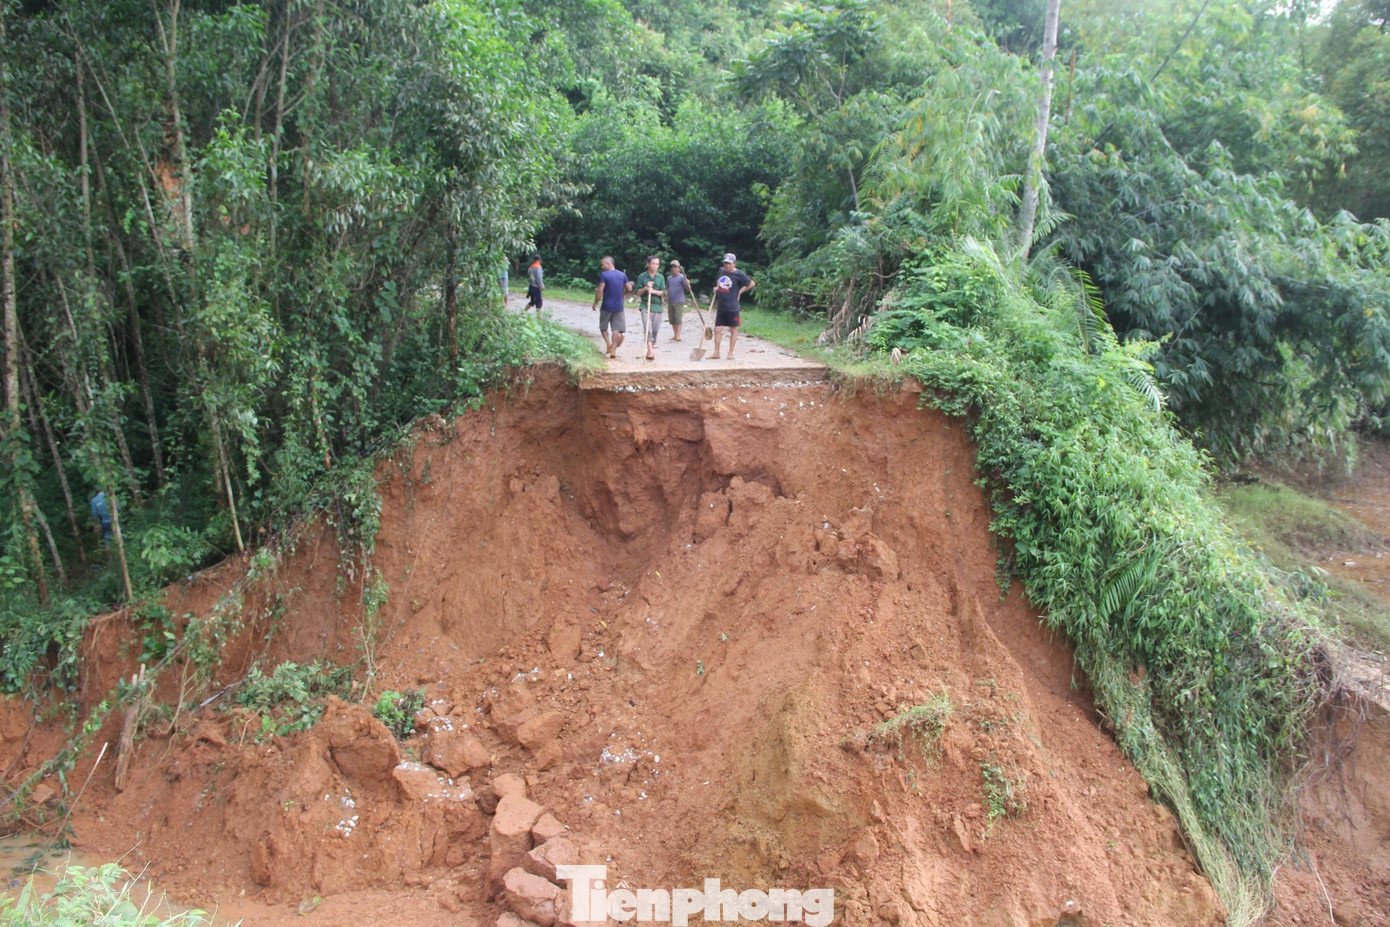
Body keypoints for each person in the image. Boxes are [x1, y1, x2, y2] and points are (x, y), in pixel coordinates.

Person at [711, 252, 754, 359]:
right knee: (717, 329)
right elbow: (719, 281)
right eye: (725, 263)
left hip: (732, 307)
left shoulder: (739, 274)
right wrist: (717, 288)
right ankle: (716, 353)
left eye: (729, 263)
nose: (727, 265)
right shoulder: (721, 270)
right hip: (721, 306)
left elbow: (751, 284)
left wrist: (740, 292)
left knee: (733, 329)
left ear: (734, 264)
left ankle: (730, 353)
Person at [591, 256, 631, 358]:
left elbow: (600, 290)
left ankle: (608, 344)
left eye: (603, 264)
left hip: (606, 306)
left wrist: (596, 303)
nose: (601, 266)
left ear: (609, 264)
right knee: (616, 329)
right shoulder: (622, 275)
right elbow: (629, 288)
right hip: (619, 306)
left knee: (603, 327)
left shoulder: (604, 275)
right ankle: (613, 349)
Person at [634, 255, 666, 360]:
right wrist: (646, 288)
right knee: (648, 328)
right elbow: (638, 293)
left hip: (657, 307)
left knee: (655, 330)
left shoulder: (660, 277)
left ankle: (650, 348)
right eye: (653, 264)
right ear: (648, 264)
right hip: (645, 305)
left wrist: (654, 291)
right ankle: (651, 352)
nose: (655, 266)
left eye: (657, 264)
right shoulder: (642, 277)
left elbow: (663, 292)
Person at [666, 259, 694, 342]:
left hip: (679, 300)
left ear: (679, 268)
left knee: (678, 319)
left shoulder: (682, 277)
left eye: (676, 267)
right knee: (672, 319)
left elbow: (688, 289)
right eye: (672, 267)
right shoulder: (669, 278)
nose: (674, 269)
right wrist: (664, 297)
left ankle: (678, 335)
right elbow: (667, 289)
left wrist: (688, 283)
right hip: (671, 300)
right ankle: (675, 335)